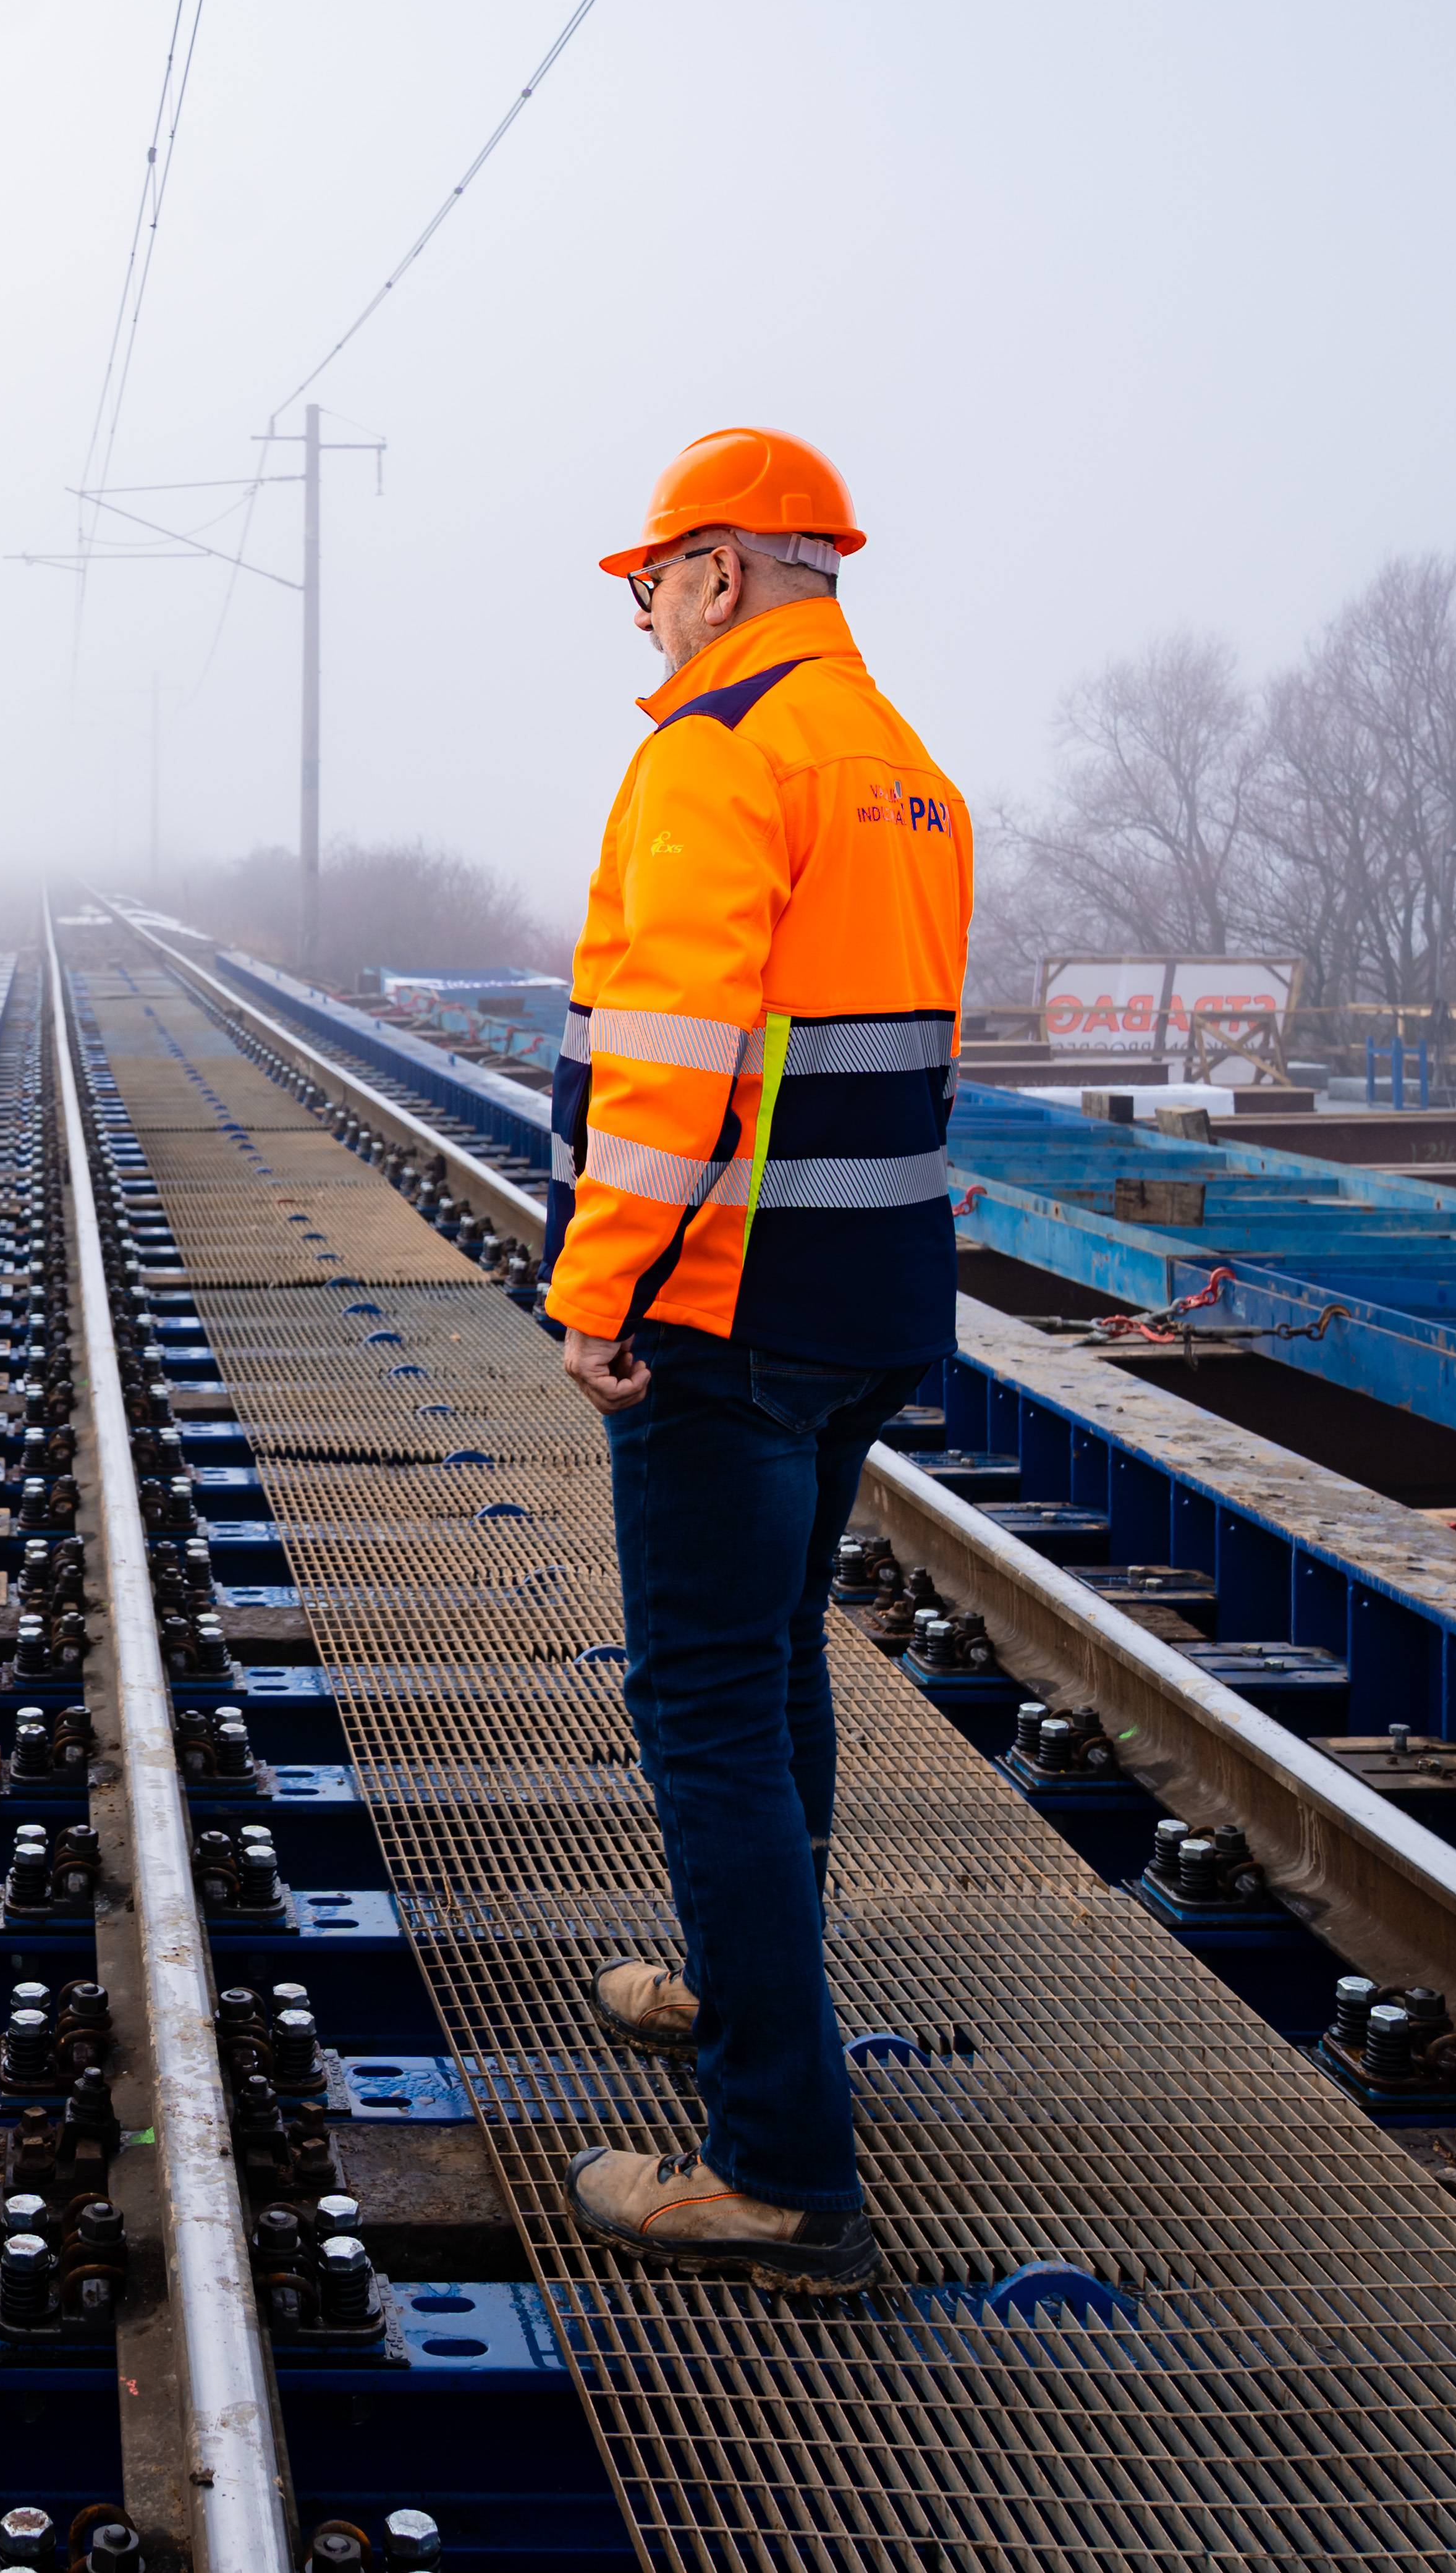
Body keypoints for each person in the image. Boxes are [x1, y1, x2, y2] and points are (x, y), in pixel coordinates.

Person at [538, 427, 971, 2293]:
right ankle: (742, 1986)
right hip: (873, 1295)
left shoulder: (715, 757)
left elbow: (675, 1060)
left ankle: (780, 2171)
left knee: (704, 1705)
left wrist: (599, 1285)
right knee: (773, 1655)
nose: (640, 614)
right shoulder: (905, 767)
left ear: (718, 570)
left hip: (722, 1300)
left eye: (649, 580)